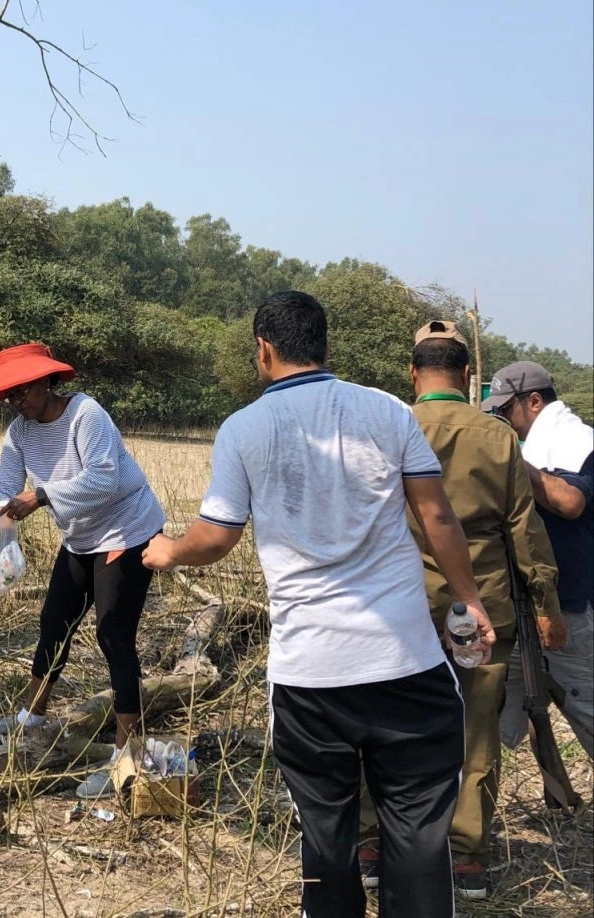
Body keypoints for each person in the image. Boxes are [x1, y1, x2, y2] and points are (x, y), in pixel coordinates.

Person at [142, 292, 496, 918]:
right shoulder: (388, 411)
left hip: (310, 679)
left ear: (263, 350)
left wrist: (168, 551)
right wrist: (469, 599)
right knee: (417, 835)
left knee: (326, 839)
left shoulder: (244, 429)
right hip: (406, 666)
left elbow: (216, 538)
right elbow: (435, 513)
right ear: (326, 346)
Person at [359, 322, 565, 900]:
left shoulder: (385, 426)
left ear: (413, 372)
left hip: (395, 601)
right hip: (484, 604)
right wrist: (546, 605)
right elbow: (525, 528)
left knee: (382, 724)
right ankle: (467, 856)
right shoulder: (498, 436)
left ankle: (372, 844)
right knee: (476, 735)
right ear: (468, 374)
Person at [0, 343, 166, 799]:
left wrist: (38, 497)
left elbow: (105, 478)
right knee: (54, 620)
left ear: (46, 382)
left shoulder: (86, 415)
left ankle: (127, 757)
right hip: (80, 536)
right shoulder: (19, 432)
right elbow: (5, 486)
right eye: (9, 395)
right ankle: (32, 718)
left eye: (23, 391)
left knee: (113, 634)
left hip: (126, 530)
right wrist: (3, 518)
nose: (17, 401)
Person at [482, 361, 594, 758]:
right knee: (491, 717)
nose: (501, 419)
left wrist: (511, 460)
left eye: (505, 410)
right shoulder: (533, 442)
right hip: (525, 606)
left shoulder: (579, 441)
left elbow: (570, 502)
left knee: (584, 706)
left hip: (569, 606)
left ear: (533, 401)